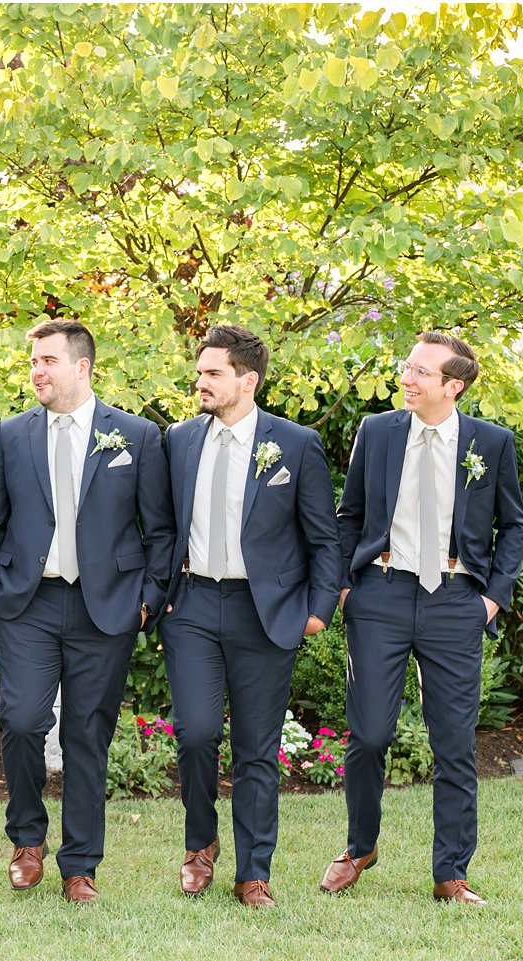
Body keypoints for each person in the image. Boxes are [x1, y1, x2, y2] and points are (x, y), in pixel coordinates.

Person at [0, 319, 173, 904]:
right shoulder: (10, 435)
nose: (36, 370)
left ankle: (80, 864)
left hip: (105, 608)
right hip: (28, 604)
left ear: (82, 367)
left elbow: (159, 529)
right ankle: (27, 839)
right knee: (22, 721)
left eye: (48, 360)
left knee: (88, 735)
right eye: (33, 360)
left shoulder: (134, 436)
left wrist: (146, 600)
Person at [322, 331, 523, 905]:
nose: (406, 378)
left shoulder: (493, 442)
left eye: (420, 371)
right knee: (368, 736)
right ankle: (359, 847)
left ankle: (450, 873)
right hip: (381, 596)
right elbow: (350, 514)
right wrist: (343, 586)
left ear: (453, 385)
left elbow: (513, 527)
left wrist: (492, 598)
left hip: (456, 602)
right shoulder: (378, 431)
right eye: (406, 367)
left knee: (455, 743)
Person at [159, 324, 341, 908]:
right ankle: (200, 843)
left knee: (258, 748)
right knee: (194, 734)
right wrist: (160, 594)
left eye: (213, 372)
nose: (201, 381)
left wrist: (316, 611)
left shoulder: (296, 444)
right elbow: (162, 524)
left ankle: (253, 872)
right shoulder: (179, 440)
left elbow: (324, 539)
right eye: (200, 371)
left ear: (248, 379)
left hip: (266, 612)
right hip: (190, 606)